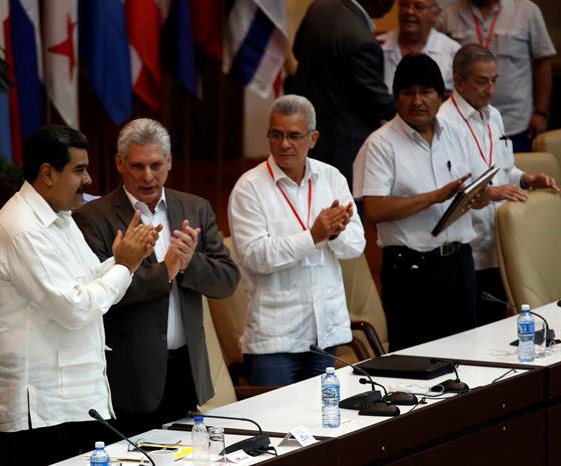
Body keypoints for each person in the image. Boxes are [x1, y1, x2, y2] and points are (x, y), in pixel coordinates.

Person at [0, 125, 159, 465]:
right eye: (79, 170)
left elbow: (86, 282)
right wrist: (124, 266)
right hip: (38, 407)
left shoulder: (59, 217)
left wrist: (121, 262)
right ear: (47, 173)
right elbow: (74, 307)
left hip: (72, 394)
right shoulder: (22, 229)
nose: (89, 179)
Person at [73, 118, 240, 437]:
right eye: (137, 166)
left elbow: (228, 280)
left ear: (170, 162)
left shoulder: (195, 207)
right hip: (129, 379)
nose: (148, 176)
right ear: (119, 164)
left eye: (156, 165)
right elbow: (101, 297)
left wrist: (190, 263)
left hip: (186, 370)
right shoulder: (93, 219)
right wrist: (165, 270)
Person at [227, 95, 366, 385]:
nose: (284, 144)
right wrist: (314, 236)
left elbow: (356, 245)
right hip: (275, 340)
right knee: (277, 425)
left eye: (294, 136)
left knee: (323, 423)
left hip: (324, 332)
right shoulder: (249, 188)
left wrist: (336, 233)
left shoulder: (332, 178)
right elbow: (255, 256)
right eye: (276, 135)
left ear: (312, 138)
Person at [357, 54, 490, 351]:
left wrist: (481, 196)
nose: (417, 100)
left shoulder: (456, 134)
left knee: (468, 359)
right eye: (408, 93)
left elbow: (482, 187)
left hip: (459, 263)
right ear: (396, 98)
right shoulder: (380, 144)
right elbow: (374, 209)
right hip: (410, 271)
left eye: (425, 92)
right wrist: (434, 197)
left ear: (440, 96)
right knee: (419, 365)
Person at [437, 43, 559, 324]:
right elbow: (450, 188)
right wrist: (491, 192)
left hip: (502, 241)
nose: (490, 89)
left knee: (501, 325)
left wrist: (526, 179)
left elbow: (504, 170)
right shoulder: (444, 123)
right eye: (481, 82)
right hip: (470, 245)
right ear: (458, 81)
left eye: (494, 81)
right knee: (473, 328)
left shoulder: (494, 115)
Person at [287, 0, 396, 191]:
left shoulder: (319, 7)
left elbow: (297, 52)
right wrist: (411, 106)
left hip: (308, 130)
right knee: (342, 205)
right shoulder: (363, 41)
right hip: (344, 145)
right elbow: (376, 102)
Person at [439, 0, 556, 152]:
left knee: (513, 170)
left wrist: (541, 112)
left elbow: (543, 63)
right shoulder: (448, 14)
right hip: (465, 126)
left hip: (516, 125)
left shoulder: (527, 11)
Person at [379, 0, 460, 95]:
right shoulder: (380, 46)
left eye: (418, 7)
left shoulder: (452, 52)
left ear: (435, 14)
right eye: (404, 5)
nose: (409, 11)